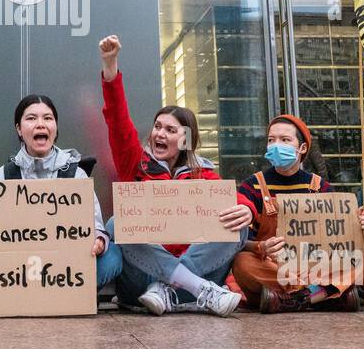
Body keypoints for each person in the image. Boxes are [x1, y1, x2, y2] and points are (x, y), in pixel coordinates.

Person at [98, 34, 250, 316]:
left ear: (186, 139)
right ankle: (189, 289)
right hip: (141, 284)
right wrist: (111, 68)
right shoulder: (136, 163)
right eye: (158, 126)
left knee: (237, 223)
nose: (160, 133)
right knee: (117, 222)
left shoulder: (203, 174)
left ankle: (170, 290)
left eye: (170, 130)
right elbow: (117, 120)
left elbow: (234, 200)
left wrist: (247, 209)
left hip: (198, 275)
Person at [0, 94, 123, 296]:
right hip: (17, 268)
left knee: (112, 256)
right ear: (19, 129)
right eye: (31, 118)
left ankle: (67, 295)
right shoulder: (4, 175)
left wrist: (99, 242)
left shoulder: (76, 174)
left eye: (48, 118)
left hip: (65, 268)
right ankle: (22, 294)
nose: (40, 124)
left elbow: (95, 226)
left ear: (55, 128)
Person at [228, 114, 364, 313]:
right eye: (271, 140)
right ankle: (324, 295)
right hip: (275, 267)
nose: (276, 145)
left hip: (317, 266)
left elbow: (340, 236)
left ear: (302, 148)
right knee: (242, 263)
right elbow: (241, 241)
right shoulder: (252, 185)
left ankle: (294, 300)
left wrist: (358, 225)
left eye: (285, 140)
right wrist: (262, 247)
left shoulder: (319, 186)